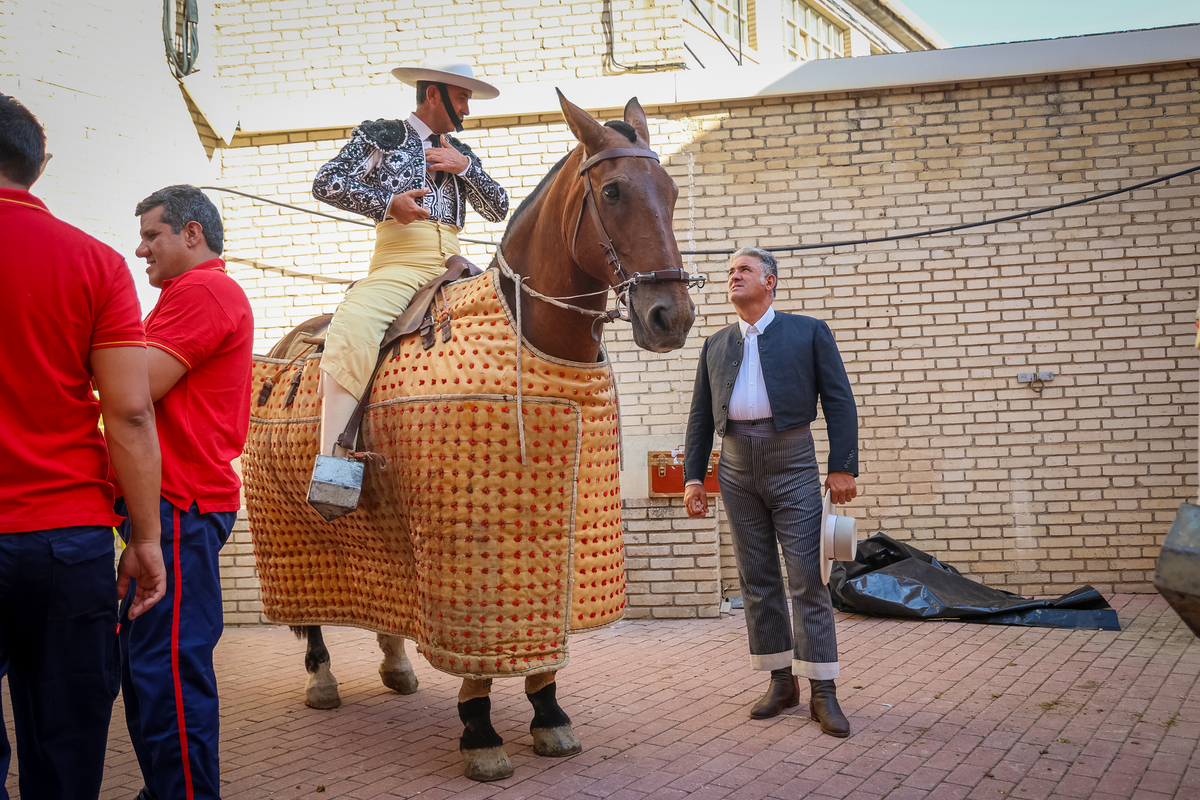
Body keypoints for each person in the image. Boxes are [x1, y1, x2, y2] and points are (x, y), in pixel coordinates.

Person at [0, 93, 166, 799]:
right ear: (41, 165)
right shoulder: (96, 263)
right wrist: (147, 538)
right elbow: (128, 413)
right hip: (68, 542)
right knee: (66, 748)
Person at [310, 56, 508, 494]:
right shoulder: (382, 135)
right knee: (353, 324)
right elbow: (326, 182)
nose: (468, 110)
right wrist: (388, 203)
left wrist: (466, 168)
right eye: (462, 99)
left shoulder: (462, 152)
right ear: (432, 94)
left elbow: (498, 209)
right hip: (400, 263)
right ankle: (333, 470)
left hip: (456, 265)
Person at [684, 247, 858, 737]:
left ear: (771, 281)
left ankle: (823, 690)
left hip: (794, 461)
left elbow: (840, 401)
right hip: (736, 467)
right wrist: (694, 478)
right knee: (756, 578)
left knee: (808, 578)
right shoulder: (716, 344)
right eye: (730, 272)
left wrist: (842, 467)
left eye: (744, 270)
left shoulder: (808, 332)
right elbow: (700, 416)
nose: (734, 276)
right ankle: (781, 682)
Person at [117, 185, 253, 800]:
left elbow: (133, 388)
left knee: (168, 671)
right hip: (171, 505)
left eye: (152, 235)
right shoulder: (185, 294)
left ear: (191, 233)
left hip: (180, 503)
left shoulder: (201, 290)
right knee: (149, 670)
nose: (141, 248)